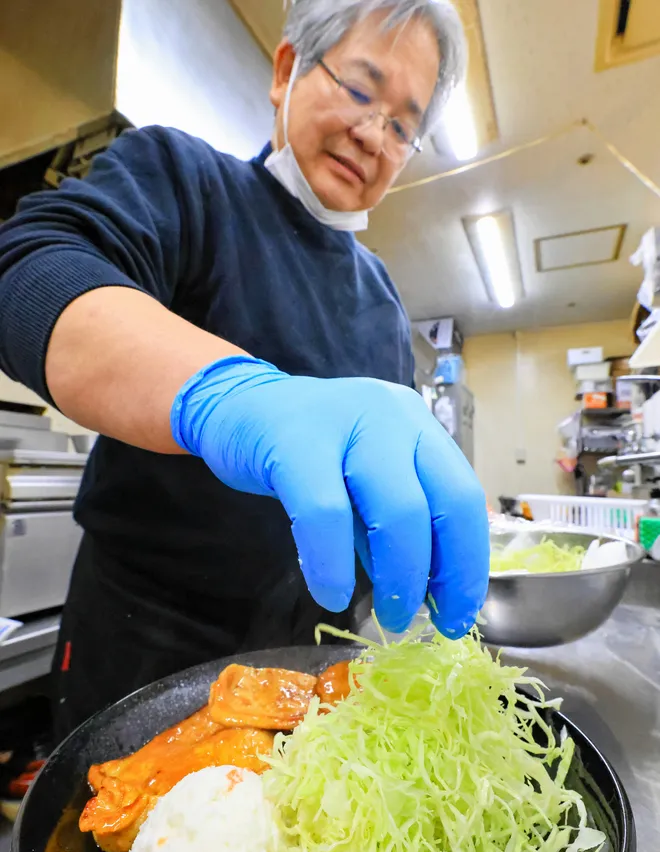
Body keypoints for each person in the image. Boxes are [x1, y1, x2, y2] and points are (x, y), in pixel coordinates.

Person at [0, 0, 489, 741]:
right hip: (151, 655)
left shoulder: (383, 298)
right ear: (287, 69)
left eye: (401, 126)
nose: (372, 135)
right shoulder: (189, 182)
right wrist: (227, 396)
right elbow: (30, 267)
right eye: (361, 91)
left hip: (313, 665)